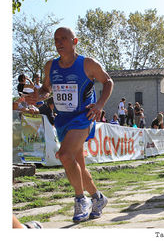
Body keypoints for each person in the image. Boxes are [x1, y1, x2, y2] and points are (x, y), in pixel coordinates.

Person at [25, 27, 114, 223]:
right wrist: (37, 95)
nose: (59, 43)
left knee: (64, 155)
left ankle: (81, 199)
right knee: (78, 166)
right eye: (56, 39)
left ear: (75, 41)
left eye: (64, 38)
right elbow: (47, 88)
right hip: (63, 119)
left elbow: (108, 81)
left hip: (83, 116)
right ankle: (98, 198)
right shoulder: (51, 66)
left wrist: (99, 104)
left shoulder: (88, 64)